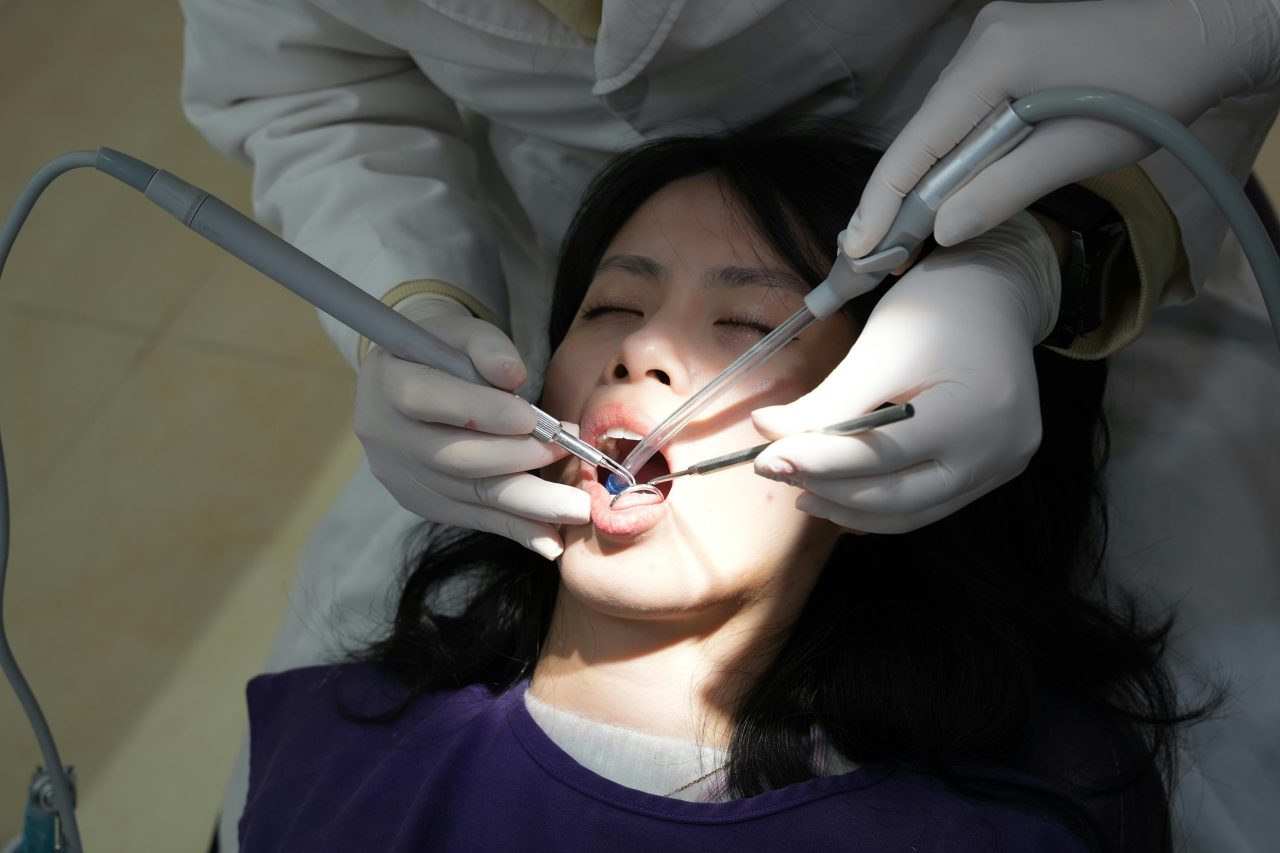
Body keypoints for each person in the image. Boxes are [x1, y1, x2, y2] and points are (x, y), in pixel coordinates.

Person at [178, 1, 1280, 848]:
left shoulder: (1028, 807)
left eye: (745, 322)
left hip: (1022, 180)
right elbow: (307, 84)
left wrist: (1030, 254)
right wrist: (413, 308)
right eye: (609, 305)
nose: (640, 347)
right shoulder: (331, 751)